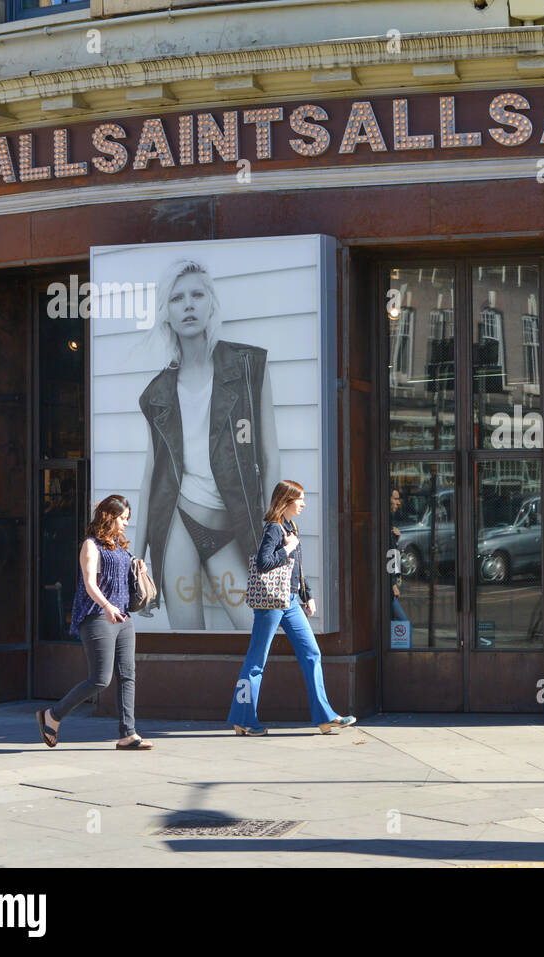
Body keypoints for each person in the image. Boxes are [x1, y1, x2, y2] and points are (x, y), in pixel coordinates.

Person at [136, 258, 280, 630]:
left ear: (211, 303)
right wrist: (136, 558)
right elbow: (151, 475)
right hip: (176, 523)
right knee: (188, 638)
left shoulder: (248, 367)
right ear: (166, 313)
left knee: (254, 626)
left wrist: (272, 531)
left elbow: (269, 456)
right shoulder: (158, 392)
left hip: (230, 525)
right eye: (177, 298)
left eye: (197, 294)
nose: (188, 304)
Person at [228, 480, 355, 735]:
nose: (304, 503)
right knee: (256, 660)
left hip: (291, 601)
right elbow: (264, 562)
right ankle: (243, 717)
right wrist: (287, 547)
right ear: (286, 500)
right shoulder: (274, 528)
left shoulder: (290, 526)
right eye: (300, 499)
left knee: (312, 653)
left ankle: (324, 716)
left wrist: (308, 594)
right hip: (271, 603)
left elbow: (296, 566)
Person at [37, 494, 153, 750]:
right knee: (100, 679)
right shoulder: (90, 545)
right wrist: (106, 606)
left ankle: (128, 733)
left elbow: (123, 577)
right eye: (122, 518)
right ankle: (52, 715)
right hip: (97, 616)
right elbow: (90, 583)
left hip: (123, 617)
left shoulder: (120, 545)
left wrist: (138, 568)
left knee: (127, 675)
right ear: (108, 516)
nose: (125, 523)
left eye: (127, 519)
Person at [389, 487, 408, 624]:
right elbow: (387, 556)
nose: (398, 502)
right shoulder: (385, 523)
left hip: (390, 585)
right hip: (388, 587)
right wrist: (392, 584)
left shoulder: (390, 522)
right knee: (404, 625)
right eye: (395, 499)